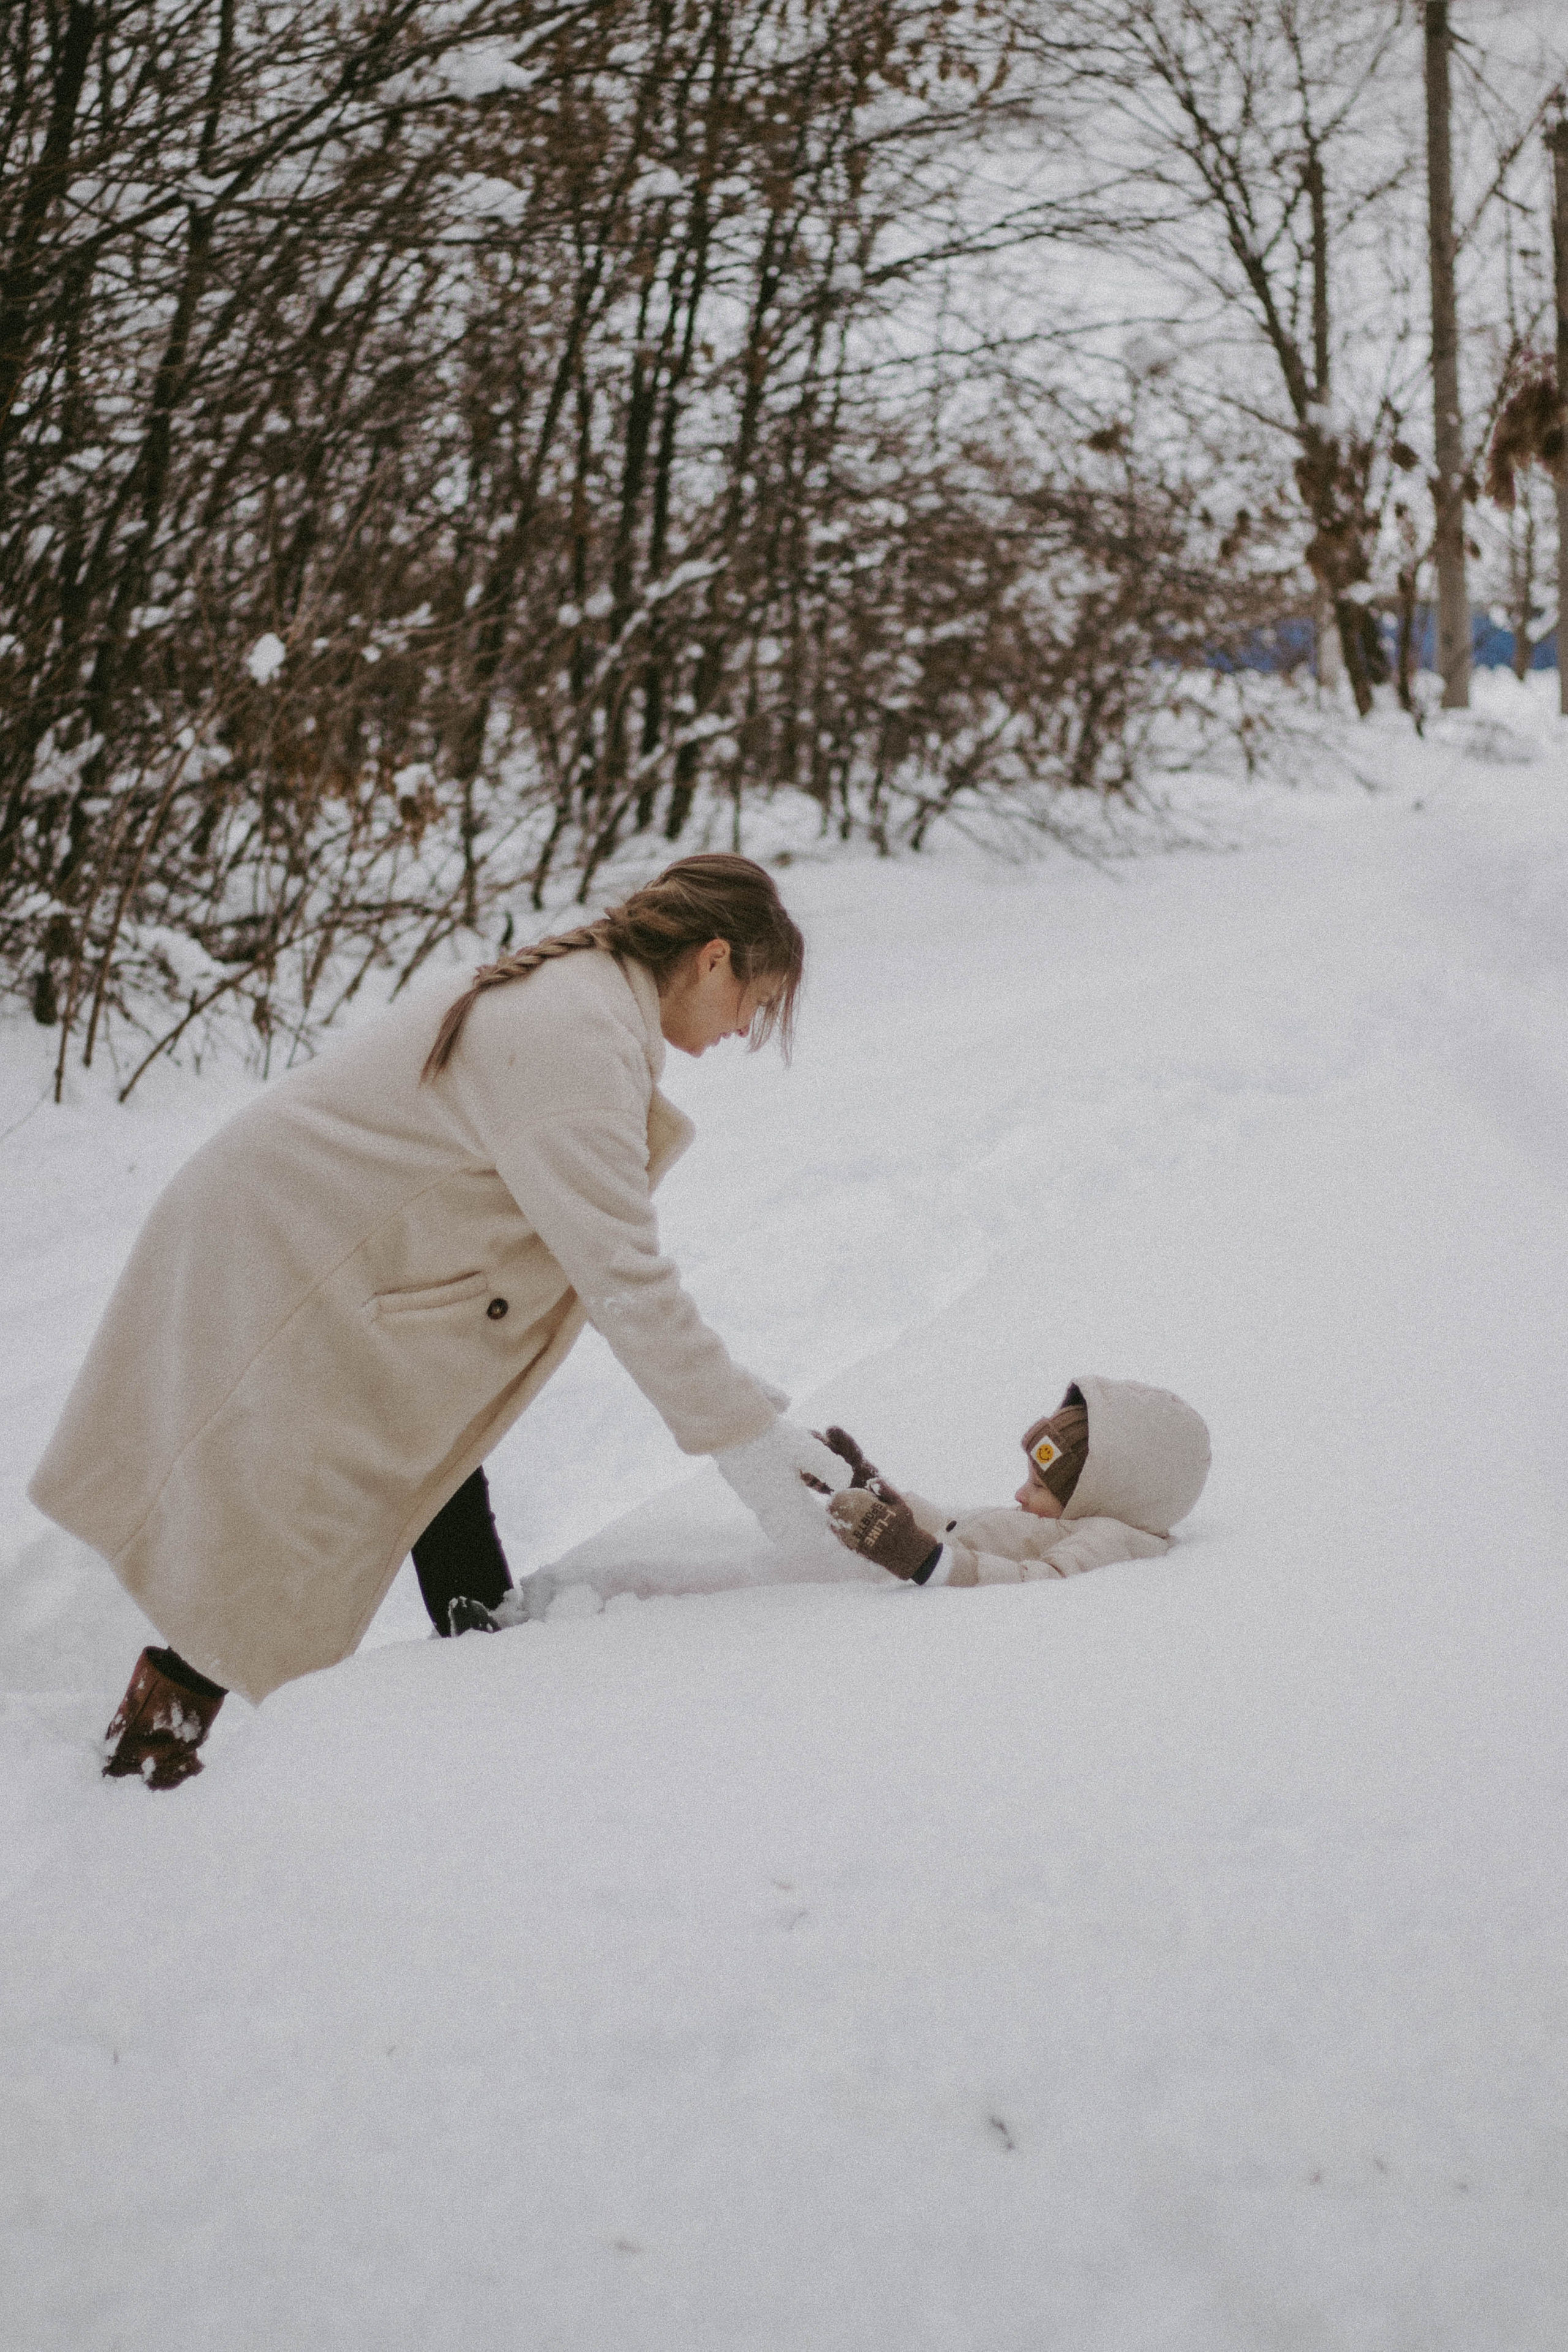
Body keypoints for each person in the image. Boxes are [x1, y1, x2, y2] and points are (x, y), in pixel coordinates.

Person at [30, 854, 850, 1787]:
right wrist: (747, 1441)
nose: (747, 1029)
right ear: (712, 960)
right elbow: (625, 1279)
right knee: (290, 1522)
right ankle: (151, 1759)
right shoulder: (575, 1038)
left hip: (326, 1246)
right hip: (290, 1252)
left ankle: (482, 1661)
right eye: (756, 999)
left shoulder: (583, 1001)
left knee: (421, 1461)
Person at [819, 1376, 1210, 1586]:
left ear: (1103, 1497)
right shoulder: (1059, 1520)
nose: (1020, 1494)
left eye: (1040, 1487)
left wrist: (924, 1561)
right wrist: (868, 1484)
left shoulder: (1109, 1539)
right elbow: (952, 1529)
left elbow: (1038, 1585)